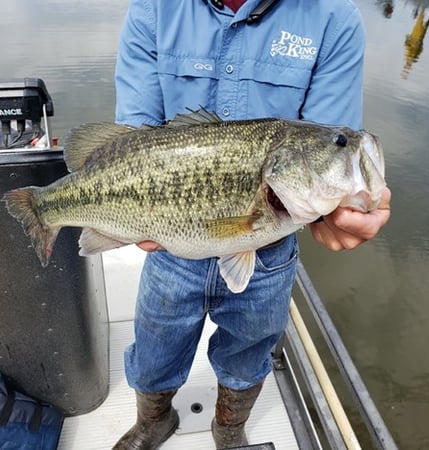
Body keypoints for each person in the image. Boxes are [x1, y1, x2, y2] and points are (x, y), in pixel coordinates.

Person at [113, 1, 392, 449]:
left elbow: (326, 138)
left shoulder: (333, 18)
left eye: (346, 146)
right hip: (170, 244)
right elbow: (132, 139)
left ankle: (229, 431)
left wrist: (344, 207)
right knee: (154, 349)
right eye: (345, 146)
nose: (350, 146)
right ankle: (153, 423)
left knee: (248, 354)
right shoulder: (153, 7)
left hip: (270, 250)